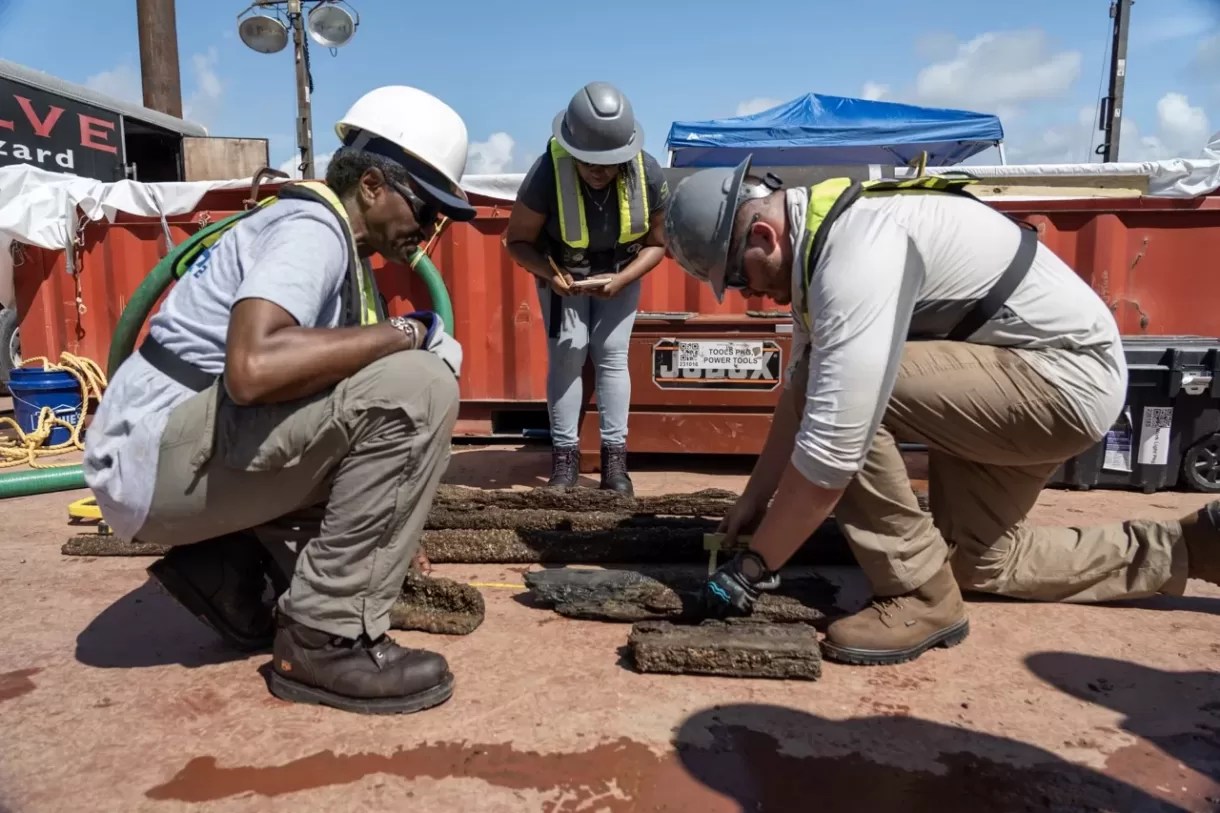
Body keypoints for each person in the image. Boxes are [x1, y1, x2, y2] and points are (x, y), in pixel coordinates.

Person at [663, 156, 1220, 666]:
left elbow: (832, 442)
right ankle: (1192, 547)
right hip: (1026, 382)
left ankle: (917, 594)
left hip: (1062, 382)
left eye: (739, 278)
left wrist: (751, 571)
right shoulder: (822, 241)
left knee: (844, 398)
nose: (750, 295)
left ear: (763, 234)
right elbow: (795, 396)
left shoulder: (857, 251)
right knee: (979, 562)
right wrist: (755, 500)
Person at [82, 85, 478, 715]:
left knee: (377, 391)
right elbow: (253, 370)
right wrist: (410, 330)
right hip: (157, 457)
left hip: (163, 451)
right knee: (420, 387)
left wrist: (387, 525)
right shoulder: (313, 230)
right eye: (426, 208)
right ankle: (324, 638)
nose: (430, 229)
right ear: (372, 185)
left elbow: (318, 409)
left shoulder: (336, 247)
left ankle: (229, 567)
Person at [505, 81, 669, 495]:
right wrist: (549, 274)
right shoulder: (546, 173)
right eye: (588, 162)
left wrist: (624, 279)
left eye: (608, 163)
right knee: (568, 353)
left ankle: (615, 465)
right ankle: (564, 462)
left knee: (612, 356)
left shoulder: (646, 172)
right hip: (563, 279)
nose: (598, 171)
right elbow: (518, 242)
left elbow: (658, 244)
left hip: (620, 274)